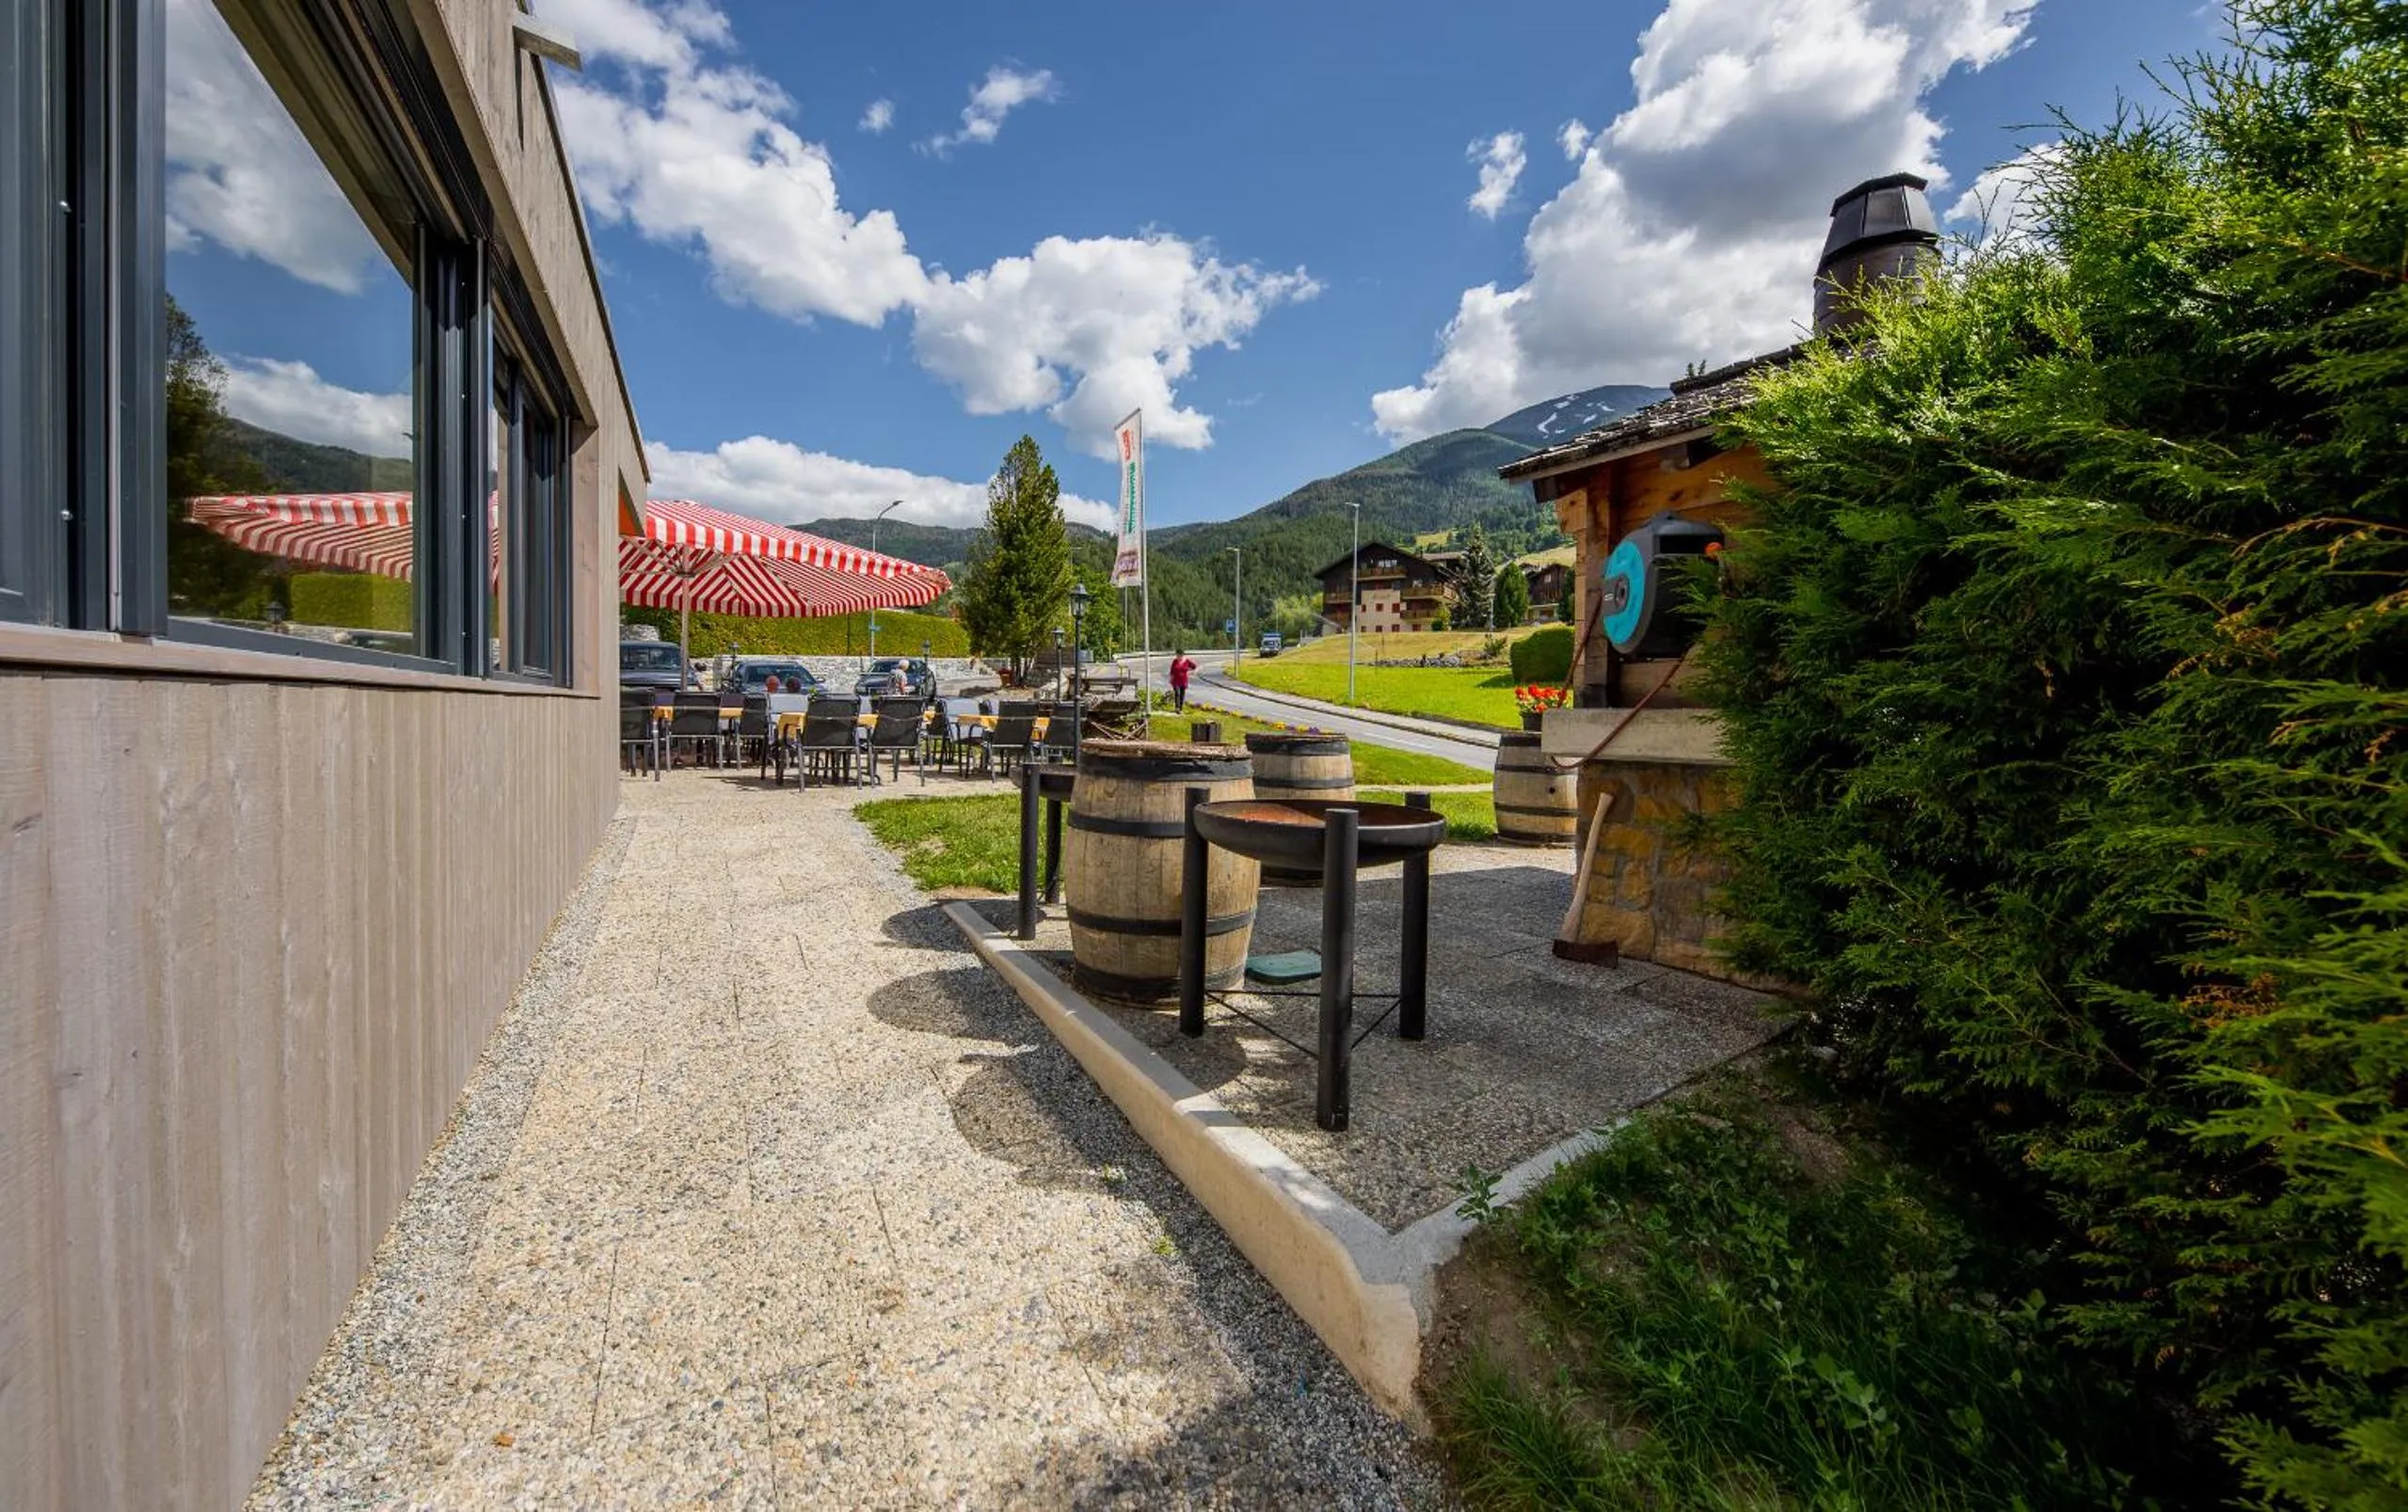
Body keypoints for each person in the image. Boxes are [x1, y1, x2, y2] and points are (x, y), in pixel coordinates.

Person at [1169, 648, 1196, 713]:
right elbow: (1172, 670)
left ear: (1182, 655)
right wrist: (1171, 679)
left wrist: (1188, 670)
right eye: (1177, 655)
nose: (1177, 656)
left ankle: (1180, 708)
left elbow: (1194, 666)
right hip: (1175, 680)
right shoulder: (1175, 661)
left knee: (1182, 694)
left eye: (1179, 655)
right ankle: (1177, 708)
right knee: (1177, 693)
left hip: (1183, 680)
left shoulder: (1186, 661)